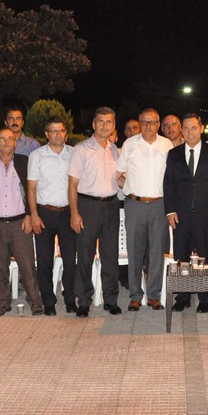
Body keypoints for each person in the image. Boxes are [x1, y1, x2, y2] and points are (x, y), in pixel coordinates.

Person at [163, 114, 208, 313]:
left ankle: (205, 298)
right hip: (181, 215)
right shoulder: (173, 154)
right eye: (186, 128)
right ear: (181, 131)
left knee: (206, 257)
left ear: (201, 128)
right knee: (181, 257)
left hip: (206, 215)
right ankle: (183, 297)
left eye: (193, 128)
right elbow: (168, 184)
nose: (190, 132)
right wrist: (170, 210)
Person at [0, 128, 43, 316]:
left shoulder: (24, 163)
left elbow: (33, 190)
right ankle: (2, 302)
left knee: (27, 265)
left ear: (15, 143)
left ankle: (35, 300)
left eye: (10, 139)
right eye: (2, 139)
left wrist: (29, 215)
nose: (6, 142)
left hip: (20, 222)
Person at [116, 108, 173, 311]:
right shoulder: (129, 144)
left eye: (152, 122)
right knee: (134, 251)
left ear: (158, 124)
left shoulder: (167, 145)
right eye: (144, 122)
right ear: (140, 123)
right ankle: (135, 295)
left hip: (159, 204)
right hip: (135, 205)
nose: (148, 126)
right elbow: (118, 174)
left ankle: (154, 295)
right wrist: (130, 189)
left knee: (157, 252)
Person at [68, 107, 122, 318]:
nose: (104, 126)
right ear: (93, 124)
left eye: (109, 122)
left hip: (111, 206)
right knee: (85, 256)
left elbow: (120, 179)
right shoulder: (81, 149)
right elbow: (72, 184)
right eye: (101, 121)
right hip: (87, 206)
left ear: (113, 126)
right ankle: (83, 301)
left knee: (110, 255)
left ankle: (111, 300)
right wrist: (74, 213)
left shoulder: (115, 150)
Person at [27, 116, 76, 315]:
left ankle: (70, 298)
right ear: (47, 134)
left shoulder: (74, 154)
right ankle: (48, 301)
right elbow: (31, 188)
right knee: (45, 261)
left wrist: (76, 212)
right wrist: (34, 215)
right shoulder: (37, 156)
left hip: (68, 213)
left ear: (66, 133)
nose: (58, 134)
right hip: (44, 213)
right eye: (53, 131)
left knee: (70, 260)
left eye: (61, 130)